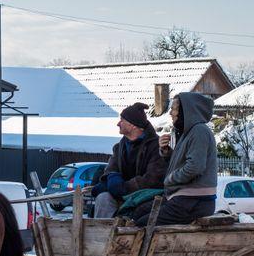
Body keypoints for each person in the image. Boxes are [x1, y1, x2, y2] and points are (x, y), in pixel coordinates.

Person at [133, 93, 218, 226]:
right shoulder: (188, 133)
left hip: (194, 202)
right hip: (183, 199)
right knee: (138, 212)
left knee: (143, 224)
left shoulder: (199, 131)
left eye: (173, 109)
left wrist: (170, 178)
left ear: (185, 111)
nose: (171, 113)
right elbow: (185, 163)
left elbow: (194, 168)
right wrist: (167, 153)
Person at [91, 102, 167, 218]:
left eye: (122, 120)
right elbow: (112, 167)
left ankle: (122, 234)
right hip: (122, 196)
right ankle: (104, 233)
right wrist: (111, 177)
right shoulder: (120, 146)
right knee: (103, 198)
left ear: (133, 125)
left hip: (145, 197)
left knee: (138, 210)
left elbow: (153, 178)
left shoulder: (155, 147)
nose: (118, 123)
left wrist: (125, 187)